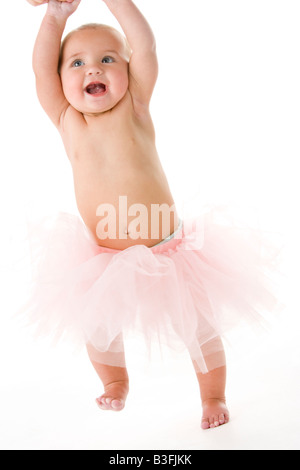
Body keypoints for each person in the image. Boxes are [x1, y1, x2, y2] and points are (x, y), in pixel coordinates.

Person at [24, 0, 281, 430]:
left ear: (127, 70)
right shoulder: (66, 118)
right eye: (77, 63)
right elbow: (38, 71)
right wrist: (54, 17)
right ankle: (115, 381)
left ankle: (213, 394)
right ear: (59, 79)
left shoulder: (135, 107)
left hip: (169, 252)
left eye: (108, 59)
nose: (94, 70)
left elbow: (145, 46)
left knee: (199, 328)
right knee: (97, 328)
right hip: (104, 256)